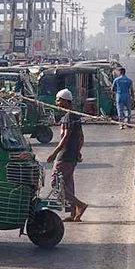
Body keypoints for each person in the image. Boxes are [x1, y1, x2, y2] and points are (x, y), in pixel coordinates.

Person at [46, 88, 88, 221]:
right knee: (68, 183)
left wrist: (54, 153)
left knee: (55, 182)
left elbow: (65, 137)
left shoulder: (68, 117)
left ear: (65, 101)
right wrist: (78, 151)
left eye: (58, 100)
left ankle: (79, 205)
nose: (56, 102)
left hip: (64, 156)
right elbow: (81, 136)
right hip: (72, 155)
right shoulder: (75, 116)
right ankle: (73, 214)